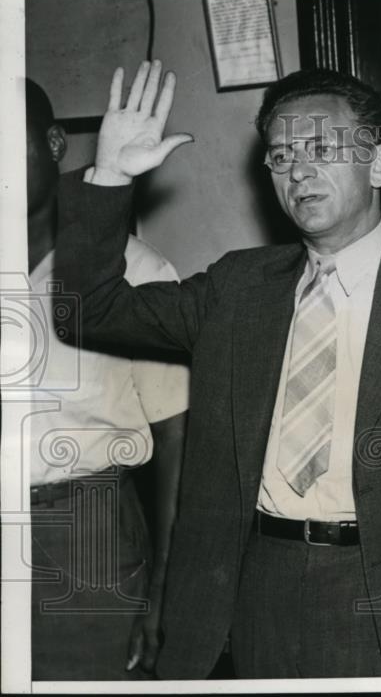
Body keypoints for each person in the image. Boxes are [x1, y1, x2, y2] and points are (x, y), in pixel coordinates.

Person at [55, 61, 381, 678]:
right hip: (255, 589)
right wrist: (110, 176)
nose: (299, 170)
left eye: (322, 148)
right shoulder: (237, 289)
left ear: (379, 164)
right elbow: (88, 311)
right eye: (281, 156)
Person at [25, 78, 189, 679]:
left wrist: (165, 589)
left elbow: (181, 439)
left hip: (85, 541)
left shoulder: (135, 271)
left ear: (52, 144)